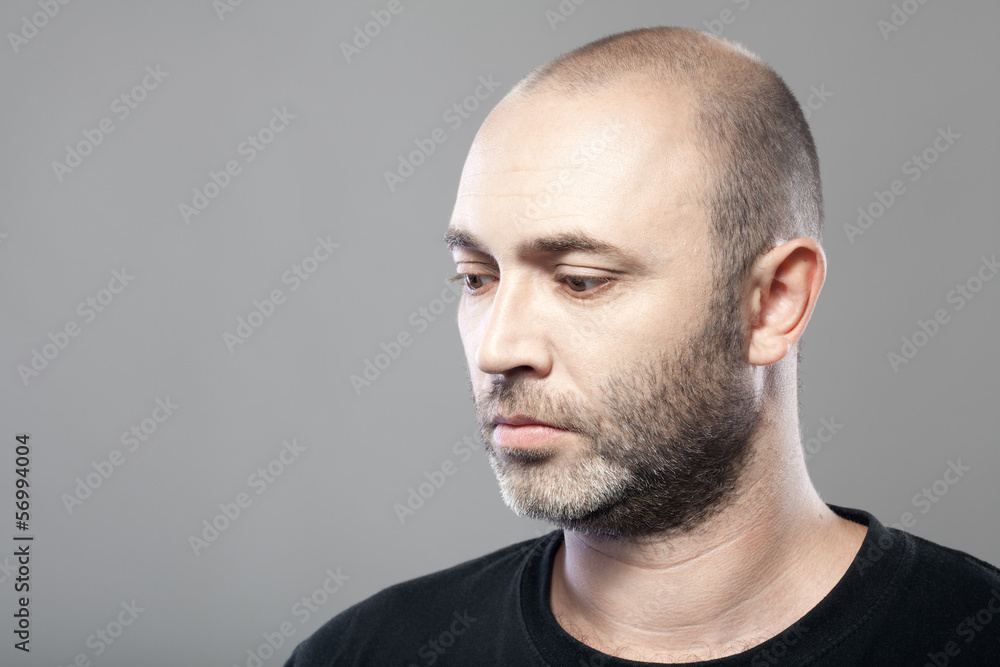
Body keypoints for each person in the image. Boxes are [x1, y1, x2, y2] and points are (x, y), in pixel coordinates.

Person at [285, 26, 1000, 665]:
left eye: (581, 280)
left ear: (773, 302)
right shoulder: (367, 652)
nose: (496, 349)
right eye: (477, 277)